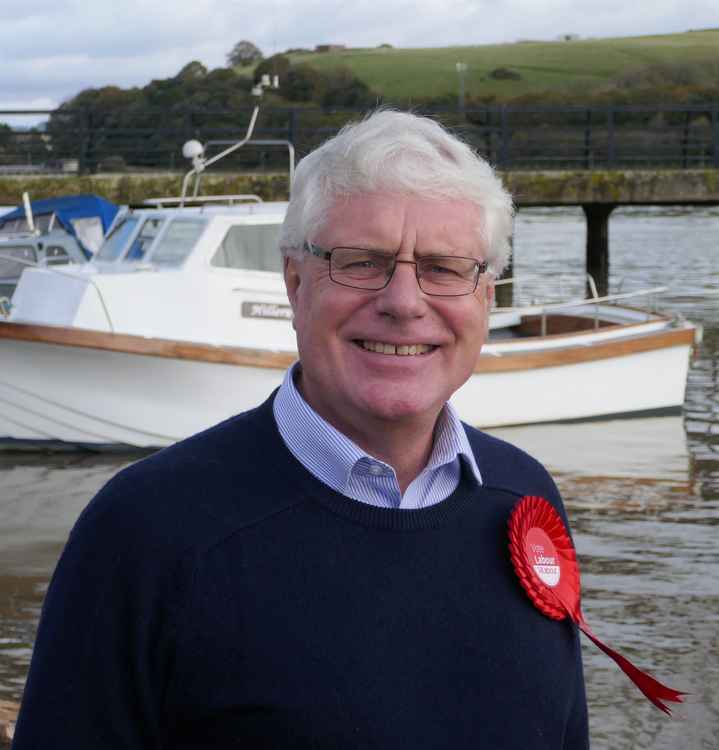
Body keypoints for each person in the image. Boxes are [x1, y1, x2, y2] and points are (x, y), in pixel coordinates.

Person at [13, 110, 588, 748]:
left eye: (445, 267)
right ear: (294, 281)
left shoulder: (525, 501)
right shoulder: (147, 530)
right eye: (361, 261)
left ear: (485, 296)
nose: (403, 301)